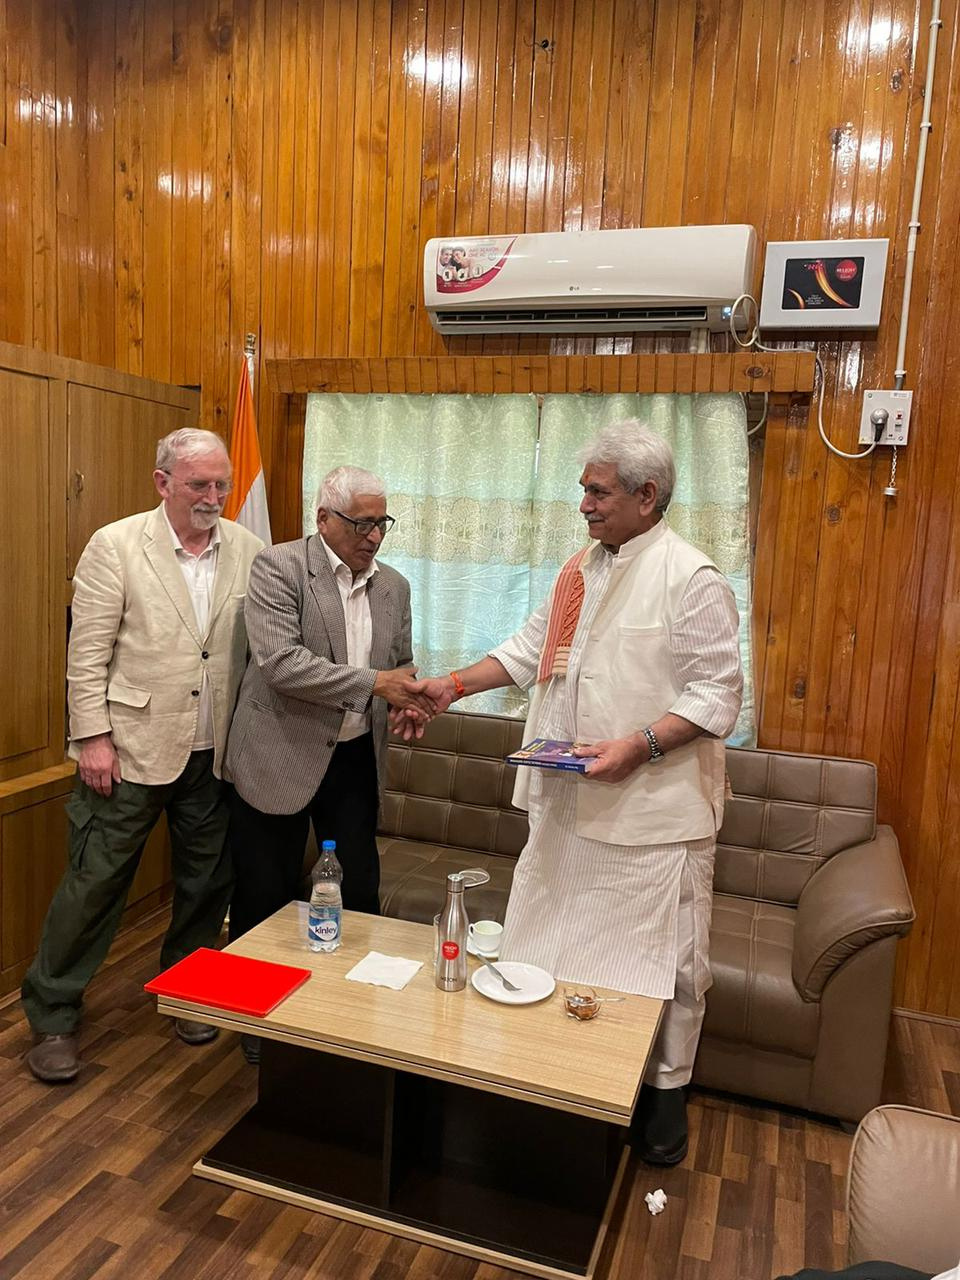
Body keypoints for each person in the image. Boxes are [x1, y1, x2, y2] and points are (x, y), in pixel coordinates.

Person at [395, 421, 743, 1165]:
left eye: (598, 490)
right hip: (567, 802)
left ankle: (665, 1091)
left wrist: (639, 746)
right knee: (554, 937)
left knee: (669, 959)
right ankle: (560, 1075)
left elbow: (720, 694)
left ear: (647, 496)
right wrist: (449, 686)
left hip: (653, 809)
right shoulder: (578, 569)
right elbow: (529, 651)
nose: (582, 503)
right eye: (583, 488)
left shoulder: (692, 576)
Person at [22, 428, 264, 1084]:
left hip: (213, 751)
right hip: (128, 750)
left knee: (206, 883)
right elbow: (87, 653)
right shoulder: (116, 544)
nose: (213, 497)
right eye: (199, 485)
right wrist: (92, 739)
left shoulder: (247, 547)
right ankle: (51, 1013)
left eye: (221, 483)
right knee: (94, 884)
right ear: (163, 483)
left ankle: (186, 990)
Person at [224, 465, 435, 1063]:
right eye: (361, 523)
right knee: (263, 892)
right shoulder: (279, 567)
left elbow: (402, 664)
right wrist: (377, 683)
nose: (373, 536)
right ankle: (256, 1022)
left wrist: (408, 704)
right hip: (278, 756)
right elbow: (280, 664)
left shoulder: (394, 585)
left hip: (353, 760)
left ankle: (348, 1013)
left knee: (360, 891)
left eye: (381, 523)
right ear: (324, 519)